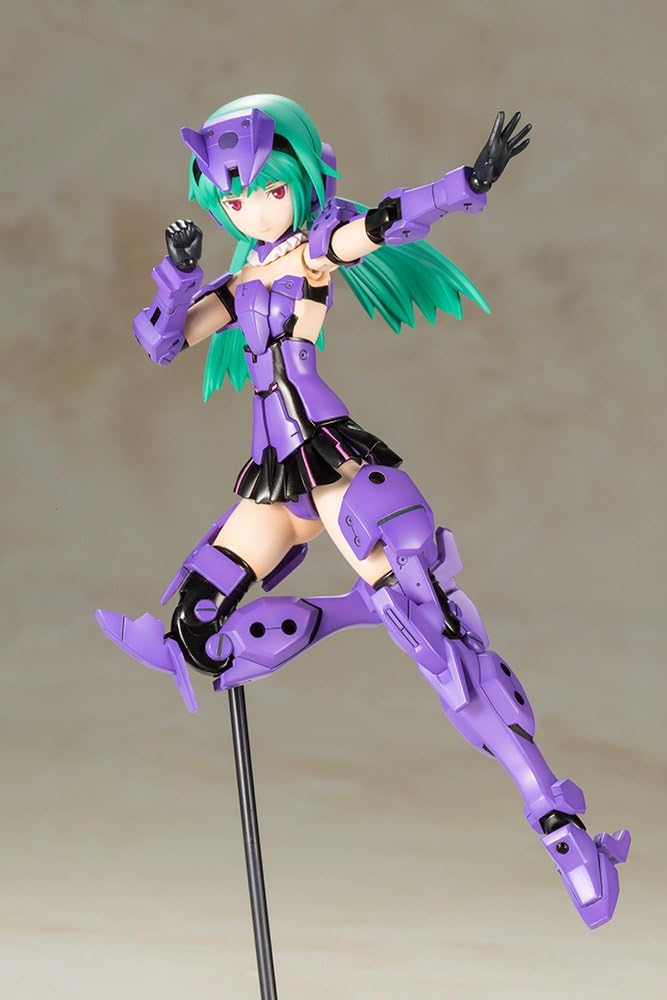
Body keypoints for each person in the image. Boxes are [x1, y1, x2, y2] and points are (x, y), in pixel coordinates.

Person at [96, 94, 629, 928]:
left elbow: (378, 225)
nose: (249, 209)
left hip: (330, 458)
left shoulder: (312, 249)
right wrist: (181, 274)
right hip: (274, 478)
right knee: (195, 630)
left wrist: (465, 182)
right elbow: (161, 341)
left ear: (297, 180)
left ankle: (559, 825)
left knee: (439, 638)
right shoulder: (239, 281)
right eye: (232, 197)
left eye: (266, 191)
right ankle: (354, 610)